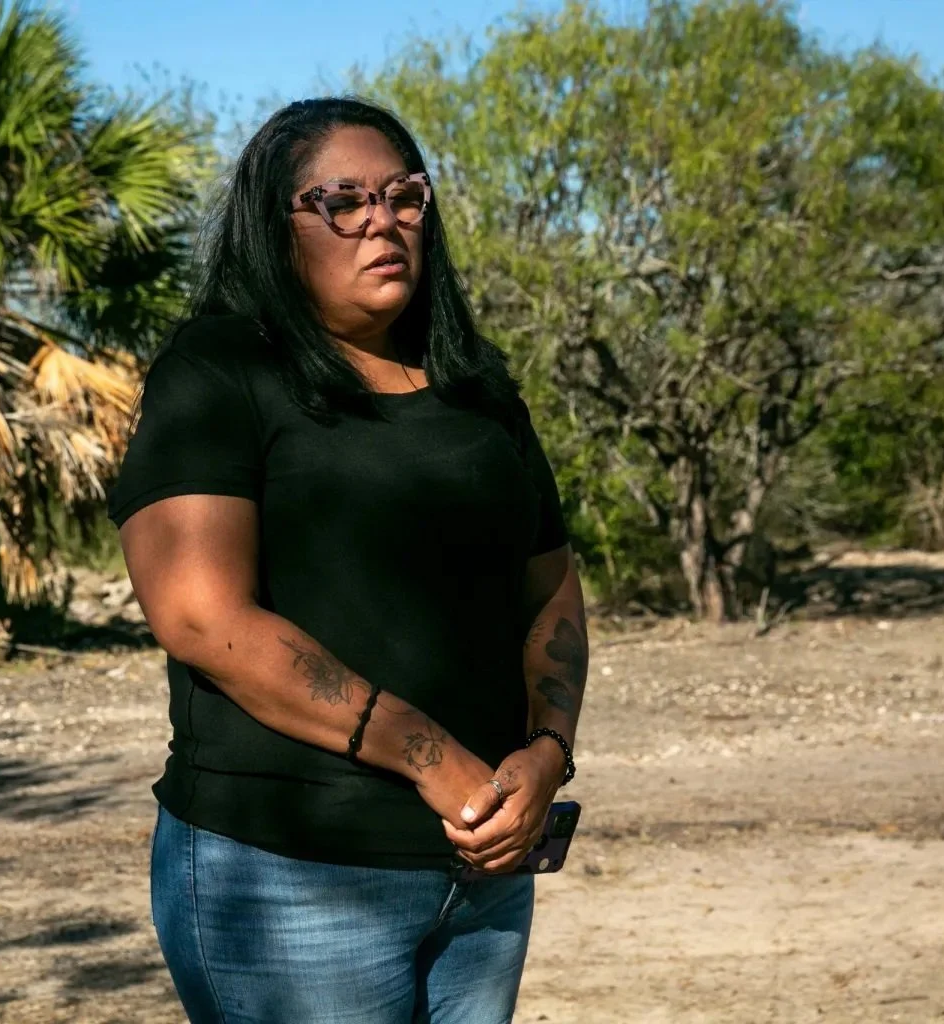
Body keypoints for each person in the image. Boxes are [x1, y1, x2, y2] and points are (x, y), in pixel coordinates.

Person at [108, 96, 589, 1024]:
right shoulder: (219, 372)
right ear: (274, 225)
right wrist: (433, 758)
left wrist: (547, 753)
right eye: (342, 200)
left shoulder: (478, 387)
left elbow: (551, 588)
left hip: (481, 871)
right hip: (287, 876)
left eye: (406, 196)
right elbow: (203, 618)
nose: (382, 220)